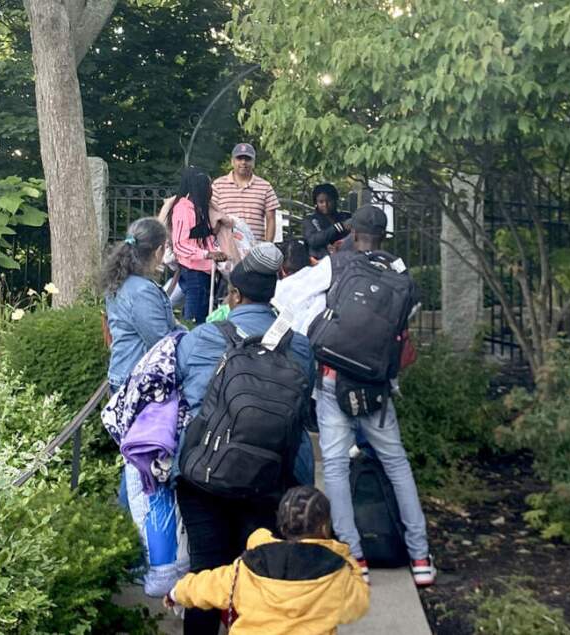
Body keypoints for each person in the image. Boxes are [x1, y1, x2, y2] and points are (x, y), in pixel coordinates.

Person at [273, 204, 436, 589]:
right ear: (383, 237)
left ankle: (354, 556)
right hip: (376, 388)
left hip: (334, 380)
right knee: (396, 463)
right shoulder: (401, 276)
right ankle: (420, 557)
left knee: (335, 467)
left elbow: (285, 293)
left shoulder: (337, 264)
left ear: (351, 233)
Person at [174, 243, 315, 635]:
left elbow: (184, 395)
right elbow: (303, 409)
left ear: (234, 295)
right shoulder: (300, 345)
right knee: (260, 574)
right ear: (273, 293)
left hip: (205, 477)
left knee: (206, 573)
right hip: (271, 477)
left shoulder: (200, 339)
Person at [165, 486, 369, 634]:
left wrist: (175, 593)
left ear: (280, 525)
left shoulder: (248, 566)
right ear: (325, 529)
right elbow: (357, 605)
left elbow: (204, 586)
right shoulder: (336, 573)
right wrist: (345, 555)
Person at [103, 217, 177, 396]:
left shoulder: (123, 281)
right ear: (159, 251)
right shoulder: (142, 290)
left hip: (124, 374)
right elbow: (160, 341)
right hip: (137, 379)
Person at [169, 167, 228, 324]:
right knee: (194, 319)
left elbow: (203, 238)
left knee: (202, 316)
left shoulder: (200, 208)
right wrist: (207, 254)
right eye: (208, 186)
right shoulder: (183, 210)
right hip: (193, 271)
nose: (211, 191)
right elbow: (179, 245)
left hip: (204, 270)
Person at [212, 143, 280, 243]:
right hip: (225, 248)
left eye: (247, 159)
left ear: (253, 162)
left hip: (255, 250)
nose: (243, 162)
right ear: (232, 161)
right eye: (239, 158)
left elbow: (271, 220)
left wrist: (267, 246)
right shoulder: (217, 185)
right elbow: (212, 216)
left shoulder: (265, 187)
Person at [302, 183, 351, 261]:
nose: (325, 205)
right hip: (319, 262)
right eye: (321, 202)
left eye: (329, 201)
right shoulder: (310, 220)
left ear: (335, 200)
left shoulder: (345, 217)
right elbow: (313, 240)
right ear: (316, 203)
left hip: (345, 259)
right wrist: (338, 227)